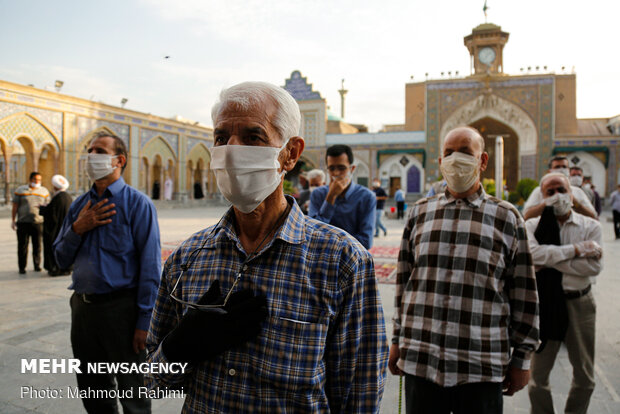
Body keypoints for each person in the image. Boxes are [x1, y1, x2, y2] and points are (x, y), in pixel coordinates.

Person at [145, 82, 388, 413]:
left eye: (252, 137)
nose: (231, 151)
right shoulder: (187, 259)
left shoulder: (341, 261)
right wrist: (178, 347)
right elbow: (146, 384)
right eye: (221, 138)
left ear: (290, 153)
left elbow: (359, 394)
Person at [389, 126, 540, 414]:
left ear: (482, 161)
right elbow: (404, 284)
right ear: (440, 162)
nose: (456, 159)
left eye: (465, 152)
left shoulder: (506, 217)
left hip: (480, 365)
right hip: (422, 359)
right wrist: (397, 340)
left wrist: (522, 359)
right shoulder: (420, 213)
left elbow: (525, 294)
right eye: (448, 153)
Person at [54, 131, 161, 414]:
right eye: (90, 150)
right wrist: (79, 228)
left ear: (119, 160)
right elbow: (60, 259)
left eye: (100, 151)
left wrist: (144, 321)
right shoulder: (79, 206)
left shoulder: (137, 205)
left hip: (122, 312)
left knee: (133, 395)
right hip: (84, 311)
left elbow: (150, 267)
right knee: (94, 393)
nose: (92, 156)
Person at [525, 172, 603, 414]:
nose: (557, 196)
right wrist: (577, 250)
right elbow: (531, 257)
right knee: (537, 379)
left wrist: (549, 259)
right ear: (542, 196)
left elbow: (593, 267)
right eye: (550, 192)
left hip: (580, 303)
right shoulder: (532, 226)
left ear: (572, 193)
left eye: (562, 190)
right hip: (546, 304)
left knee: (584, 376)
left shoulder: (591, 226)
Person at [309, 144, 376, 249]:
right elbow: (312, 234)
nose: (336, 173)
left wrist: (328, 242)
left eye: (341, 168)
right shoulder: (318, 194)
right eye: (332, 169)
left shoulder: (366, 197)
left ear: (352, 169)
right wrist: (330, 197)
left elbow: (366, 241)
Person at [523, 156, 596, 220]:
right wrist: (546, 202)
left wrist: (574, 202)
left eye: (564, 167)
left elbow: (593, 216)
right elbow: (526, 216)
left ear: (568, 170)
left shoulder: (577, 192)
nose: (561, 169)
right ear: (550, 170)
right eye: (557, 167)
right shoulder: (539, 191)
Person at [12, 171, 49, 274]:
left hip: (37, 222)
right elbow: (15, 206)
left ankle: (37, 265)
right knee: (22, 246)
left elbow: (48, 206)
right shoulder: (20, 190)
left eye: (39, 180)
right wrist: (13, 220)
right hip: (23, 222)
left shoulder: (44, 191)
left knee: (37, 245)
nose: (37, 182)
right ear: (30, 180)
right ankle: (22, 267)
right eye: (35, 180)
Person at [40, 174, 72, 277]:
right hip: (66, 229)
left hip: (56, 230)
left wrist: (43, 209)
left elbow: (52, 215)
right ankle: (66, 268)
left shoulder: (57, 198)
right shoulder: (68, 197)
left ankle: (55, 268)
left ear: (54, 186)